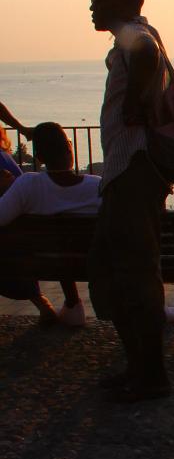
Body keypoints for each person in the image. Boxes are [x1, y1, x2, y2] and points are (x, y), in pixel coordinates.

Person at [87, 0, 172, 401]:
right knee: (119, 274)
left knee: (133, 275)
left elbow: (147, 53)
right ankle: (139, 367)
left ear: (120, 3)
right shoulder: (133, 37)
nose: (90, 4)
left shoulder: (135, 35)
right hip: (127, 174)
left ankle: (150, 375)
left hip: (131, 172)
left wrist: (136, 101)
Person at [0, 122, 100, 325]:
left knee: (60, 245)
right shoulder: (98, 186)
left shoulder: (27, 185)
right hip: (96, 263)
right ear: (70, 149)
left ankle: (72, 304)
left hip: (45, 262)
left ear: (39, 158)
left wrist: (7, 189)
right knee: (69, 243)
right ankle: (73, 305)